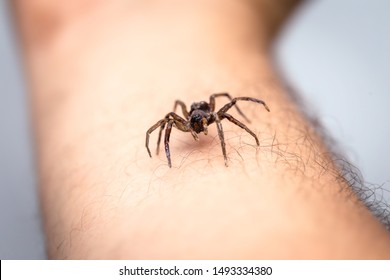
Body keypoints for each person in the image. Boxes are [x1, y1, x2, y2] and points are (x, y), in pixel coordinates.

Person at [13, 0, 390, 259]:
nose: (196, 126)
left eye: (199, 120)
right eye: (193, 122)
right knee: (165, 117)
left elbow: (231, 104)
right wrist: (158, 147)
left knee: (231, 110)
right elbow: (161, 123)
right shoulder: (179, 117)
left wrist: (246, 135)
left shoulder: (211, 113)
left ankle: (234, 147)